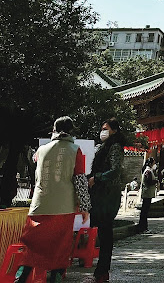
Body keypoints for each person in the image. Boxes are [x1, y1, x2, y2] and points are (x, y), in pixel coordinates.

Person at [17, 116, 91, 283]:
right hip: (63, 208)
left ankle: (21, 277)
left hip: (39, 205)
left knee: (32, 245)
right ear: (71, 131)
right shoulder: (75, 150)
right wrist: (85, 207)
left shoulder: (41, 150)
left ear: (54, 130)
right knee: (60, 247)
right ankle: (55, 278)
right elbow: (79, 180)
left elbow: (37, 178)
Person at [88, 118, 126, 283]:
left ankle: (103, 270)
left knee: (105, 233)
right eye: (102, 128)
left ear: (115, 130)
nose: (103, 131)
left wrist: (97, 177)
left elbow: (115, 170)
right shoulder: (104, 146)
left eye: (106, 128)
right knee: (103, 232)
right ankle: (101, 270)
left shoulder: (115, 147)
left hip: (108, 194)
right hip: (101, 193)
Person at [137, 157, 158, 233]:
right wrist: (156, 181)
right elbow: (149, 181)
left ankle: (143, 227)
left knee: (145, 211)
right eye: (153, 163)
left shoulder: (148, 170)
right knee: (145, 211)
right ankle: (143, 227)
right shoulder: (148, 171)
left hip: (147, 193)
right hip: (147, 193)